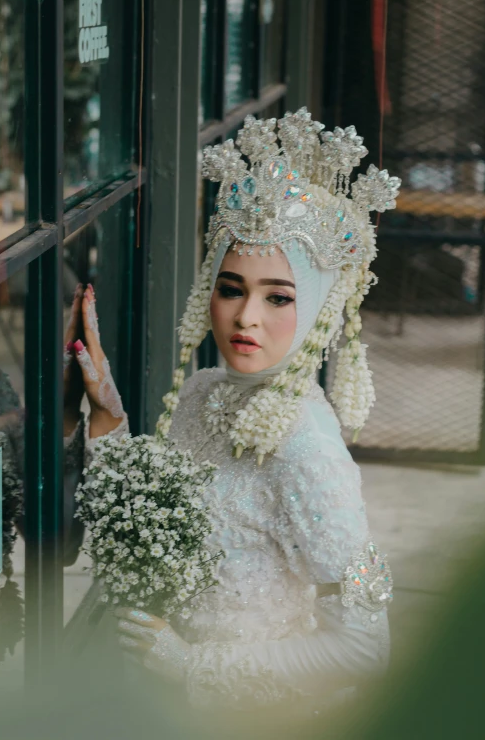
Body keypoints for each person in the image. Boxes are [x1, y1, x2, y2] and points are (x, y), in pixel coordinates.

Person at [71, 109, 401, 718]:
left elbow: (362, 647)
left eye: (278, 297)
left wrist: (193, 665)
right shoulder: (201, 391)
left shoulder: (308, 452)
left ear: (322, 306)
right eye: (231, 289)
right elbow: (157, 510)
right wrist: (107, 410)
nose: (246, 317)